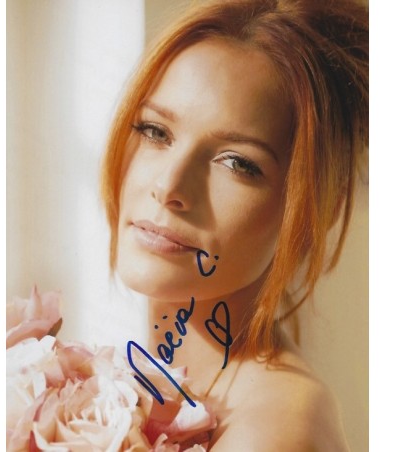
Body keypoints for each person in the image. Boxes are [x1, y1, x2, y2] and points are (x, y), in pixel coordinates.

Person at [101, 0, 368, 450]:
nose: (168, 186)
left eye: (237, 163)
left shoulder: (276, 428)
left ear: (312, 209)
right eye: (155, 131)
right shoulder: (136, 380)